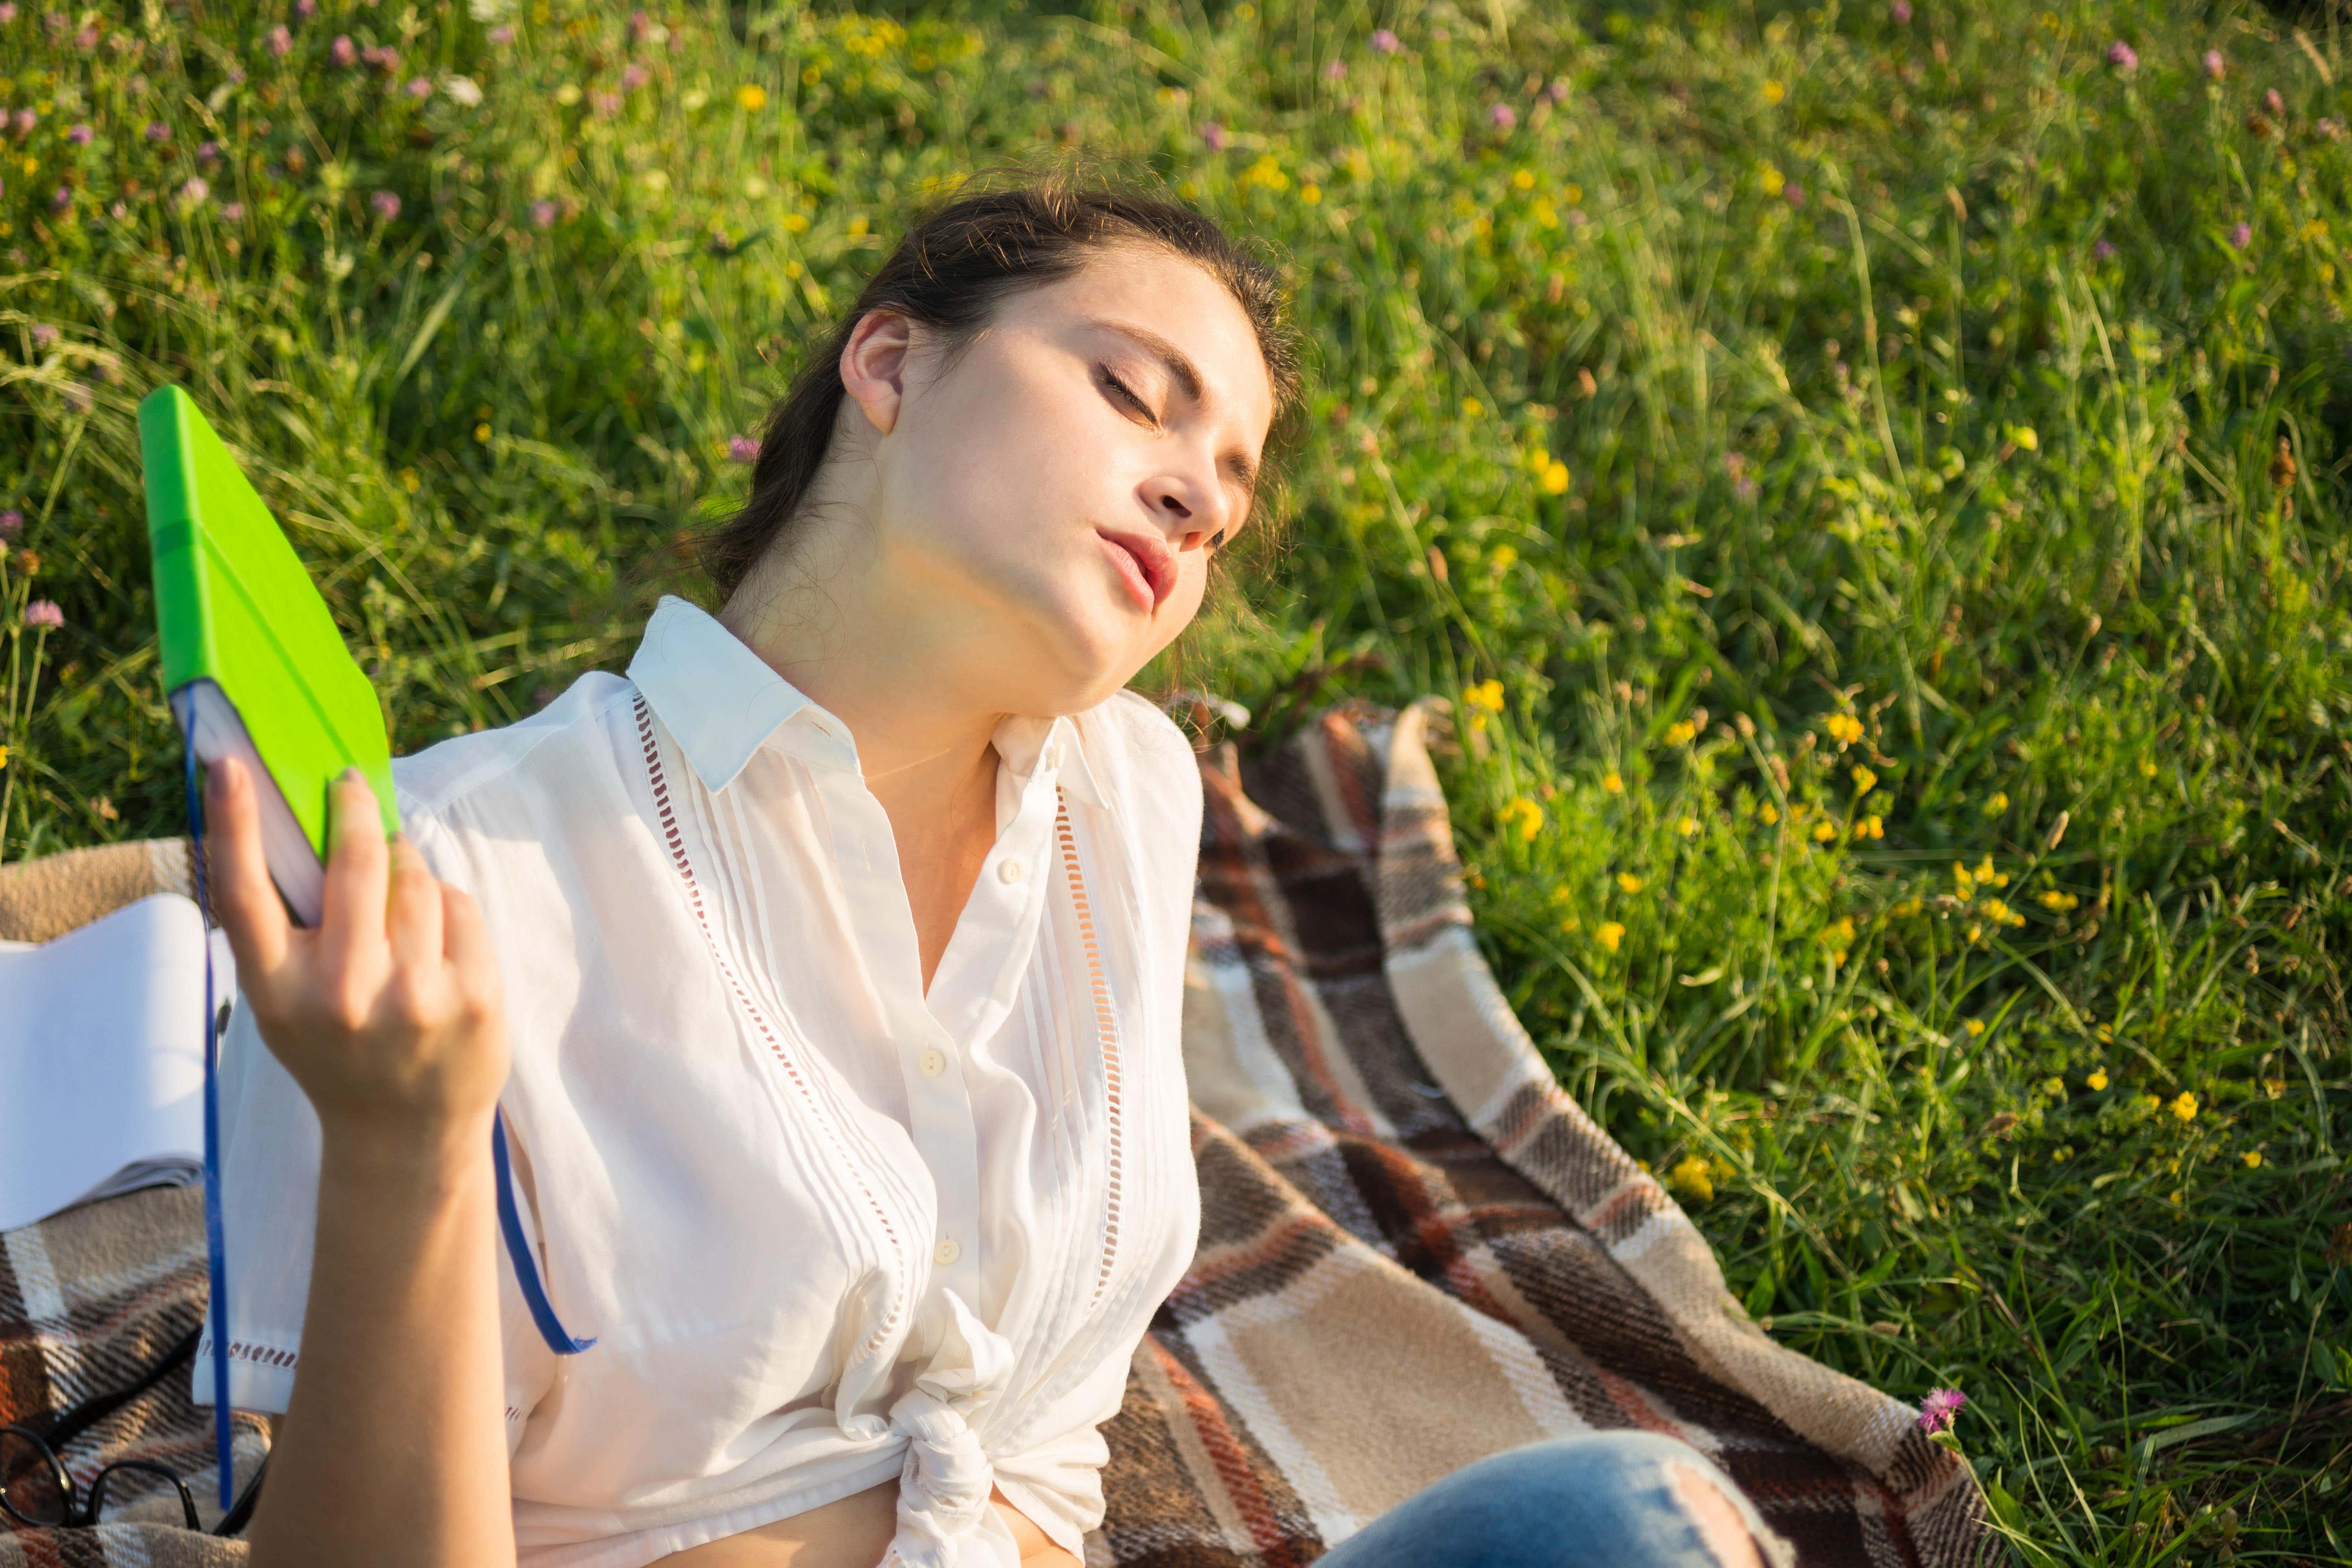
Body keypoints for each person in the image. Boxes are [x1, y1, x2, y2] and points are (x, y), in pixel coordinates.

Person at [196, 173, 1783, 1568]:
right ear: (891, 365)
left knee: (1639, 1516)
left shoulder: (1134, 799)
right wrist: (403, 1138)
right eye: (1130, 391)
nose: (1193, 496)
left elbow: (1046, 1434)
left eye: (1224, 500)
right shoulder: (455, 878)